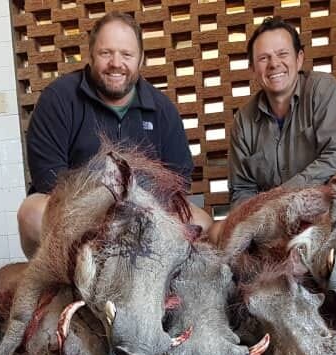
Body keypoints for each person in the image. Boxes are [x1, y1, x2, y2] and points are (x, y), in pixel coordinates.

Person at [17, 12, 211, 258]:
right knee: (31, 212)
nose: (116, 63)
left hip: (146, 216)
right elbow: (49, 180)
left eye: (126, 54)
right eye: (106, 53)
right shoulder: (58, 99)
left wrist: (137, 215)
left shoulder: (162, 109)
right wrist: (102, 215)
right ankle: (62, 283)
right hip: (77, 220)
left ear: (140, 60)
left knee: (203, 222)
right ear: (90, 55)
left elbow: (177, 182)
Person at [210, 17, 336, 242]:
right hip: (275, 220)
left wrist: (283, 197)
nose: (274, 64)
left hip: (325, 207)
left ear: (299, 58)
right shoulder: (244, 120)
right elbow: (242, 190)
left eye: (282, 54)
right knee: (218, 232)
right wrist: (260, 218)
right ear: (253, 69)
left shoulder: (323, 90)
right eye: (264, 58)